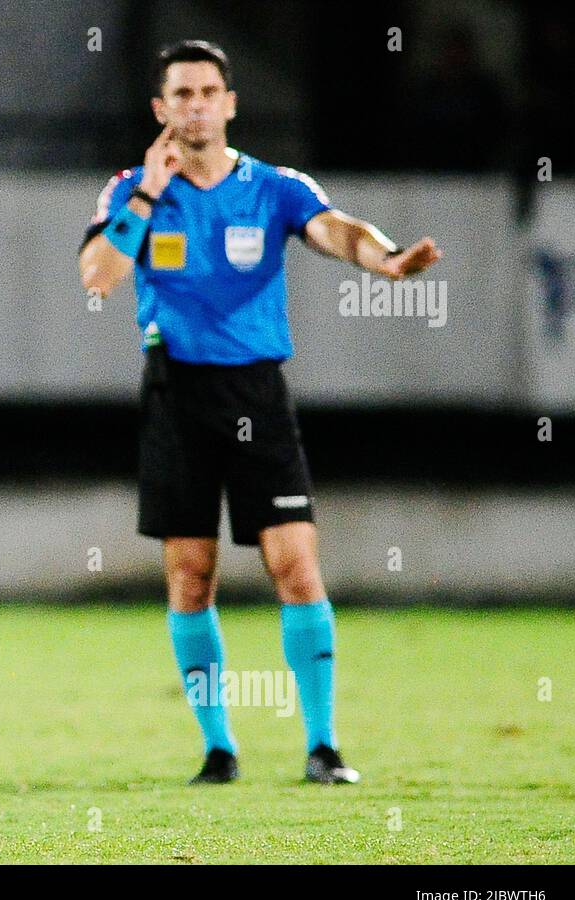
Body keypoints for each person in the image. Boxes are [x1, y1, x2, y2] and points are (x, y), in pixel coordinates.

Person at [79, 40, 441, 784]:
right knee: (190, 575)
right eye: (180, 93)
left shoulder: (273, 186)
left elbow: (334, 228)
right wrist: (147, 194)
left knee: (295, 567)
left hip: (257, 393)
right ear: (160, 109)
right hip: (175, 389)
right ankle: (218, 747)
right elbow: (99, 276)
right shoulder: (130, 190)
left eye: (208, 91)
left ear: (230, 103)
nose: (196, 104)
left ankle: (324, 745)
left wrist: (387, 258)